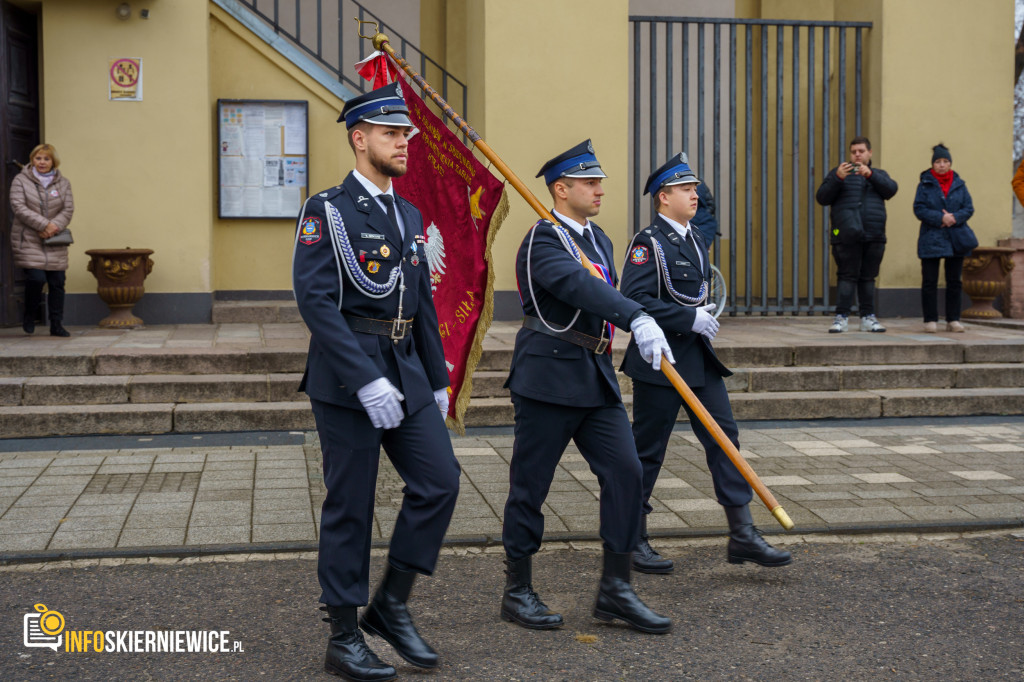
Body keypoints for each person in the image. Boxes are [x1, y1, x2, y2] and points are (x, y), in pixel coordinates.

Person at [292, 81, 461, 682]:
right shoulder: (327, 211)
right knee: (351, 505)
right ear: (359, 139)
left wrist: (437, 379)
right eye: (392, 134)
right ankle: (343, 635)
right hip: (346, 379)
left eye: (406, 134)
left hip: (407, 370)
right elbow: (315, 300)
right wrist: (363, 377)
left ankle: (389, 605)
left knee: (440, 482)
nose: (404, 143)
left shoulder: (409, 212)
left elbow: (418, 301)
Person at [501, 139, 674, 635]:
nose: (600, 189)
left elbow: (604, 290)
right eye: (590, 182)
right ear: (561, 188)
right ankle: (517, 590)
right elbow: (579, 287)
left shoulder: (597, 238)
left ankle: (615, 590)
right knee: (530, 487)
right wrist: (634, 314)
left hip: (594, 376)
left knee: (626, 472)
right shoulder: (543, 238)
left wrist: (633, 320)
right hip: (548, 375)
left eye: (599, 181)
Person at [620, 153, 792, 575]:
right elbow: (634, 298)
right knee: (648, 451)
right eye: (685, 189)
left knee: (725, 440)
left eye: (694, 188)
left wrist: (701, 315)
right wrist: (686, 317)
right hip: (661, 360)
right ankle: (632, 538)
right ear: (664, 197)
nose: (695, 194)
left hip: (698, 357)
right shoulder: (648, 243)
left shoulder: (695, 238)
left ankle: (742, 533)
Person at [815, 136, 898, 334]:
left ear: (870, 153)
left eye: (861, 151)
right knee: (846, 276)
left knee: (868, 277)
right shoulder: (839, 173)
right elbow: (822, 197)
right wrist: (837, 177)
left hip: (874, 234)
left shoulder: (879, 174)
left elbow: (891, 190)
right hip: (843, 234)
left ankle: (868, 318)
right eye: (854, 152)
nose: (857, 155)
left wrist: (871, 176)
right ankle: (841, 318)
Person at [10, 143, 74, 337]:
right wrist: (43, 225)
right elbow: (18, 206)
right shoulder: (20, 180)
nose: (42, 162)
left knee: (57, 282)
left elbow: (68, 209)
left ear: (53, 161)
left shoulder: (64, 183)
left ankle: (56, 324)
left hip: (55, 240)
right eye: (38, 158)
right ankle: (29, 314)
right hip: (29, 238)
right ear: (32, 160)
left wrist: (53, 226)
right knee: (36, 278)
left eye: (46, 159)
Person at [913, 143, 974, 333]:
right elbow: (919, 208)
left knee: (954, 281)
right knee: (929, 281)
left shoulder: (960, 184)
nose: (941, 165)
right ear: (933, 164)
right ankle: (930, 319)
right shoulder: (924, 183)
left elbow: (968, 208)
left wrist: (954, 218)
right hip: (931, 237)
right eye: (938, 161)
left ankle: (953, 319)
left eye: (945, 161)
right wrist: (940, 217)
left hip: (955, 237)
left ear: (950, 163)